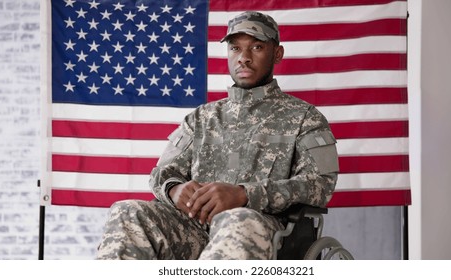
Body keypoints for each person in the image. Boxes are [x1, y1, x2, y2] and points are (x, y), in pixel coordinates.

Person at [96, 11, 339, 260]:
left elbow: (319, 186)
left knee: (238, 219)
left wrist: (245, 195)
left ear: (277, 54)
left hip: (263, 230)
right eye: (235, 48)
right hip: (193, 229)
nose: (243, 58)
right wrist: (174, 190)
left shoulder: (304, 117)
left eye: (256, 47)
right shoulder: (201, 118)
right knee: (127, 212)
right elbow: (162, 174)